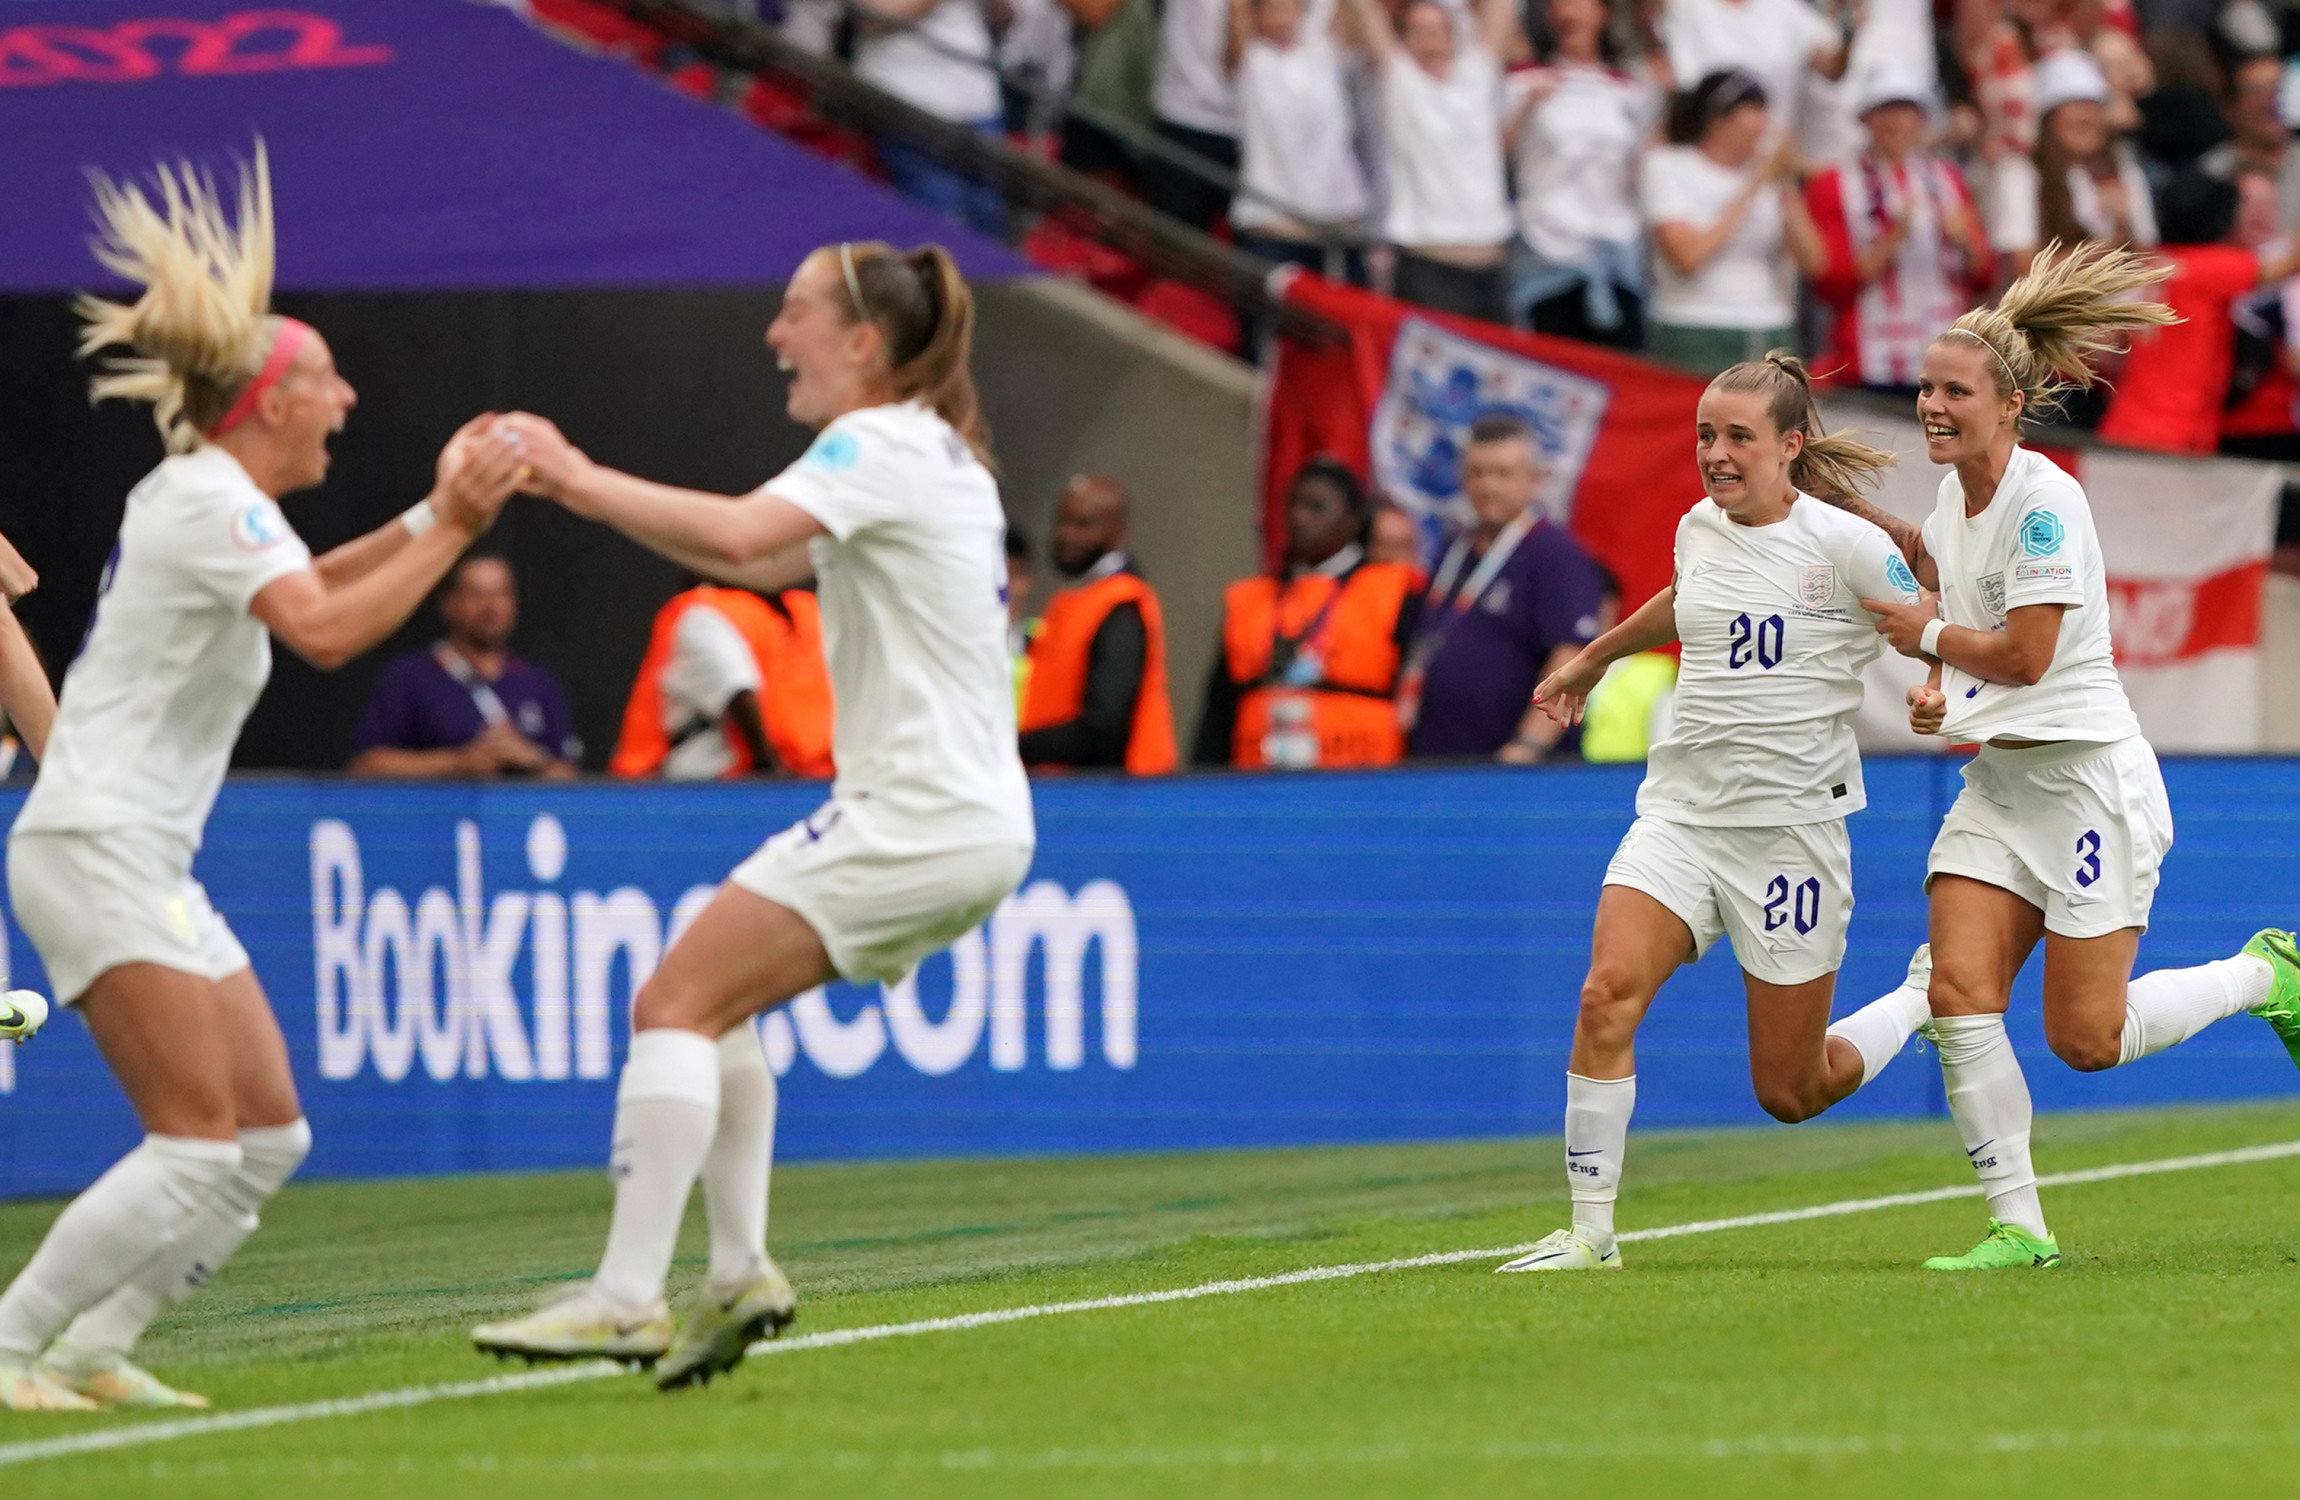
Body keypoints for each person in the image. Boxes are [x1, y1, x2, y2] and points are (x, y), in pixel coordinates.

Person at [0, 150, 521, 1411]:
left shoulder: (218, 503)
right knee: (191, 1144)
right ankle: (12, 1348)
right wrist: (451, 523)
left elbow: (313, 585)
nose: (345, 398)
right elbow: (323, 631)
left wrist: (428, 515)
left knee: (268, 1134)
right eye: (326, 379)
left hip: (137, 855)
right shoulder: (203, 497)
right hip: (96, 844)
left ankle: (91, 1348)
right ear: (269, 403)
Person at [472, 240, 1034, 1390]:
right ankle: (734, 1274)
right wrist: (586, 496)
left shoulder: (874, 439)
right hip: (961, 817)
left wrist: (571, 476)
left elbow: (736, 538)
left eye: (793, 314)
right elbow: (760, 560)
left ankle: (627, 1300)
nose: (775, 336)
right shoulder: (938, 455)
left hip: (913, 816)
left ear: (863, 343)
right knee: (710, 1006)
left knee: (672, 1000)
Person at [1859, 243, 2300, 1272]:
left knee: (2085, 1042)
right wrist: (1934, 681)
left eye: (1950, 389)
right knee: (1957, 993)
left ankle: (2261, 973)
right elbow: (1952, 597)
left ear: (2008, 404)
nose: (1928, 403)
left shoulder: (2043, 501)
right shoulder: (1949, 503)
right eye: (1923, 386)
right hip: (2002, 785)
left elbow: (2023, 652)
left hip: (2087, 784)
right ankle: (2017, 1226)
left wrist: (1925, 641)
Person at [1497, 352, 1934, 1272]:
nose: (1717, 454)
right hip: (1683, 816)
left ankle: (1917, 999)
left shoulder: (1847, 545)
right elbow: (1687, 599)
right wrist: (1593, 659)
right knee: (1604, 996)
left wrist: (1940, 684)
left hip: (1789, 837)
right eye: (1706, 435)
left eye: (1738, 436)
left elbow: (1931, 618)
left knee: (1792, 1088)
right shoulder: (1699, 527)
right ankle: (1590, 1233)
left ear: (1790, 445)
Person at [1398, 415, 1607, 762]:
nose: (1488, 486)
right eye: (1477, 473)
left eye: (1502, 474)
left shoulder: (1554, 555)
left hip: (1515, 770)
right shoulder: (1454, 548)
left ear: (1533, 480)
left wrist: (1528, 745)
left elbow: (1572, 658)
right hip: (1437, 758)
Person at [1194, 457, 1420, 767]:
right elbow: (1217, 713)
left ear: (1353, 520)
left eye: (1316, 508)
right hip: (1258, 785)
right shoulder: (1250, 600)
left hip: (1362, 786)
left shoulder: (1394, 591)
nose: (1299, 518)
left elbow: (1420, 699)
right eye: (1294, 506)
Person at [1805, 61, 1994, 391]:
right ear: (1865, 118)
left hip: (1944, 359)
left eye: (1906, 110)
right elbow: (1829, 285)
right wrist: (1893, 238)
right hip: (1867, 361)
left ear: (1922, 118)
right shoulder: (1833, 184)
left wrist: (1964, 243)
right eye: (1883, 110)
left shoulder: (1947, 178)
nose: (1895, 121)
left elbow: (1983, 274)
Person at [2099, 170, 2300, 456]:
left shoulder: (2157, 260)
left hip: (2128, 424)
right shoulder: (2205, 268)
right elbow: (2286, 265)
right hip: (2173, 433)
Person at [1641, 71, 1828, 376]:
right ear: (1718, 118)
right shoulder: (1669, 166)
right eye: (1753, 113)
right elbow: (1687, 257)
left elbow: (1816, 263)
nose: (1763, 126)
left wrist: (1786, 186)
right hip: (1697, 326)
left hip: (1770, 325)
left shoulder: (1769, 179)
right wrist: (1755, 183)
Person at [1348, 0, 1520, 323]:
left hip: (1490, 267)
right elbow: (1365, 10)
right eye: (1420, 32)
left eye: (1440, 31)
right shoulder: (1401, 82)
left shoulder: (1477, 77)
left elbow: (1501, 9)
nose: (1432, 42)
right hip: (1429, 266)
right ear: (1404, 40)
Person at [1502, 0, 1658, 348]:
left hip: (1616, 248)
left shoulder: (1631, 89)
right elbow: (1497, 154)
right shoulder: (1523, 81)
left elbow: (1640, 167)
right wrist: (1526, 106)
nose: (1567, 13)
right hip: (1548, 248)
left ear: (1603, 13)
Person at [347, 554, 580, 779]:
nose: (491, 607)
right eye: (476, 595)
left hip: (517, 816)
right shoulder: (410, 676)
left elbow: (572, 778)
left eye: (501, 594)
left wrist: (530, 758)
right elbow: (366, 765)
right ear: (449, 604)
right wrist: (458, 762)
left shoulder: (537, 683)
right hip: (436, 814)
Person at [1017, 475, 1178, 773]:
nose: (1066, 535)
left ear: (1117, 533)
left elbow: (1105, 727)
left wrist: (1018, 745)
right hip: (1059, 784)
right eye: (1061, 522)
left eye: (1082, 525)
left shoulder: (1122, 603)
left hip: (1111, 795)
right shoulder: (1072, 602)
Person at [608, 584, 836, 781]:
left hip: (806, 778)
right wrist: (770, 770)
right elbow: (739, 694)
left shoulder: (810, 611)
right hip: (702, 789)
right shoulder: (705, 614)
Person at [1226, 0, 1371, 281]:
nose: (1281, 17)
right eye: (1271, 8)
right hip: (1272, 228)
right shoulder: (1251, 58)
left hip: (1336, 229)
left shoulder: (1325, 51)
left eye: (1289, 6)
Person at [1986, 49, 2157, 282]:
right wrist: (2105, 246)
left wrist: (2124, 224)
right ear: (2049, 118)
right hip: (2059, 315)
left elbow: (2147, 263)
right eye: (2075, 105)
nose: (2086, 117)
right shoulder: (2021, 173)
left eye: (2094, 107)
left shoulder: (2122, 170)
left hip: (2120, 310)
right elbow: (2024, 271)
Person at [853, 0, 1014, 235]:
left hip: (979, 104)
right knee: (941, 233)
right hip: (908, 101)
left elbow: (1005, 19)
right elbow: (870, 18)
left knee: (988, 229)